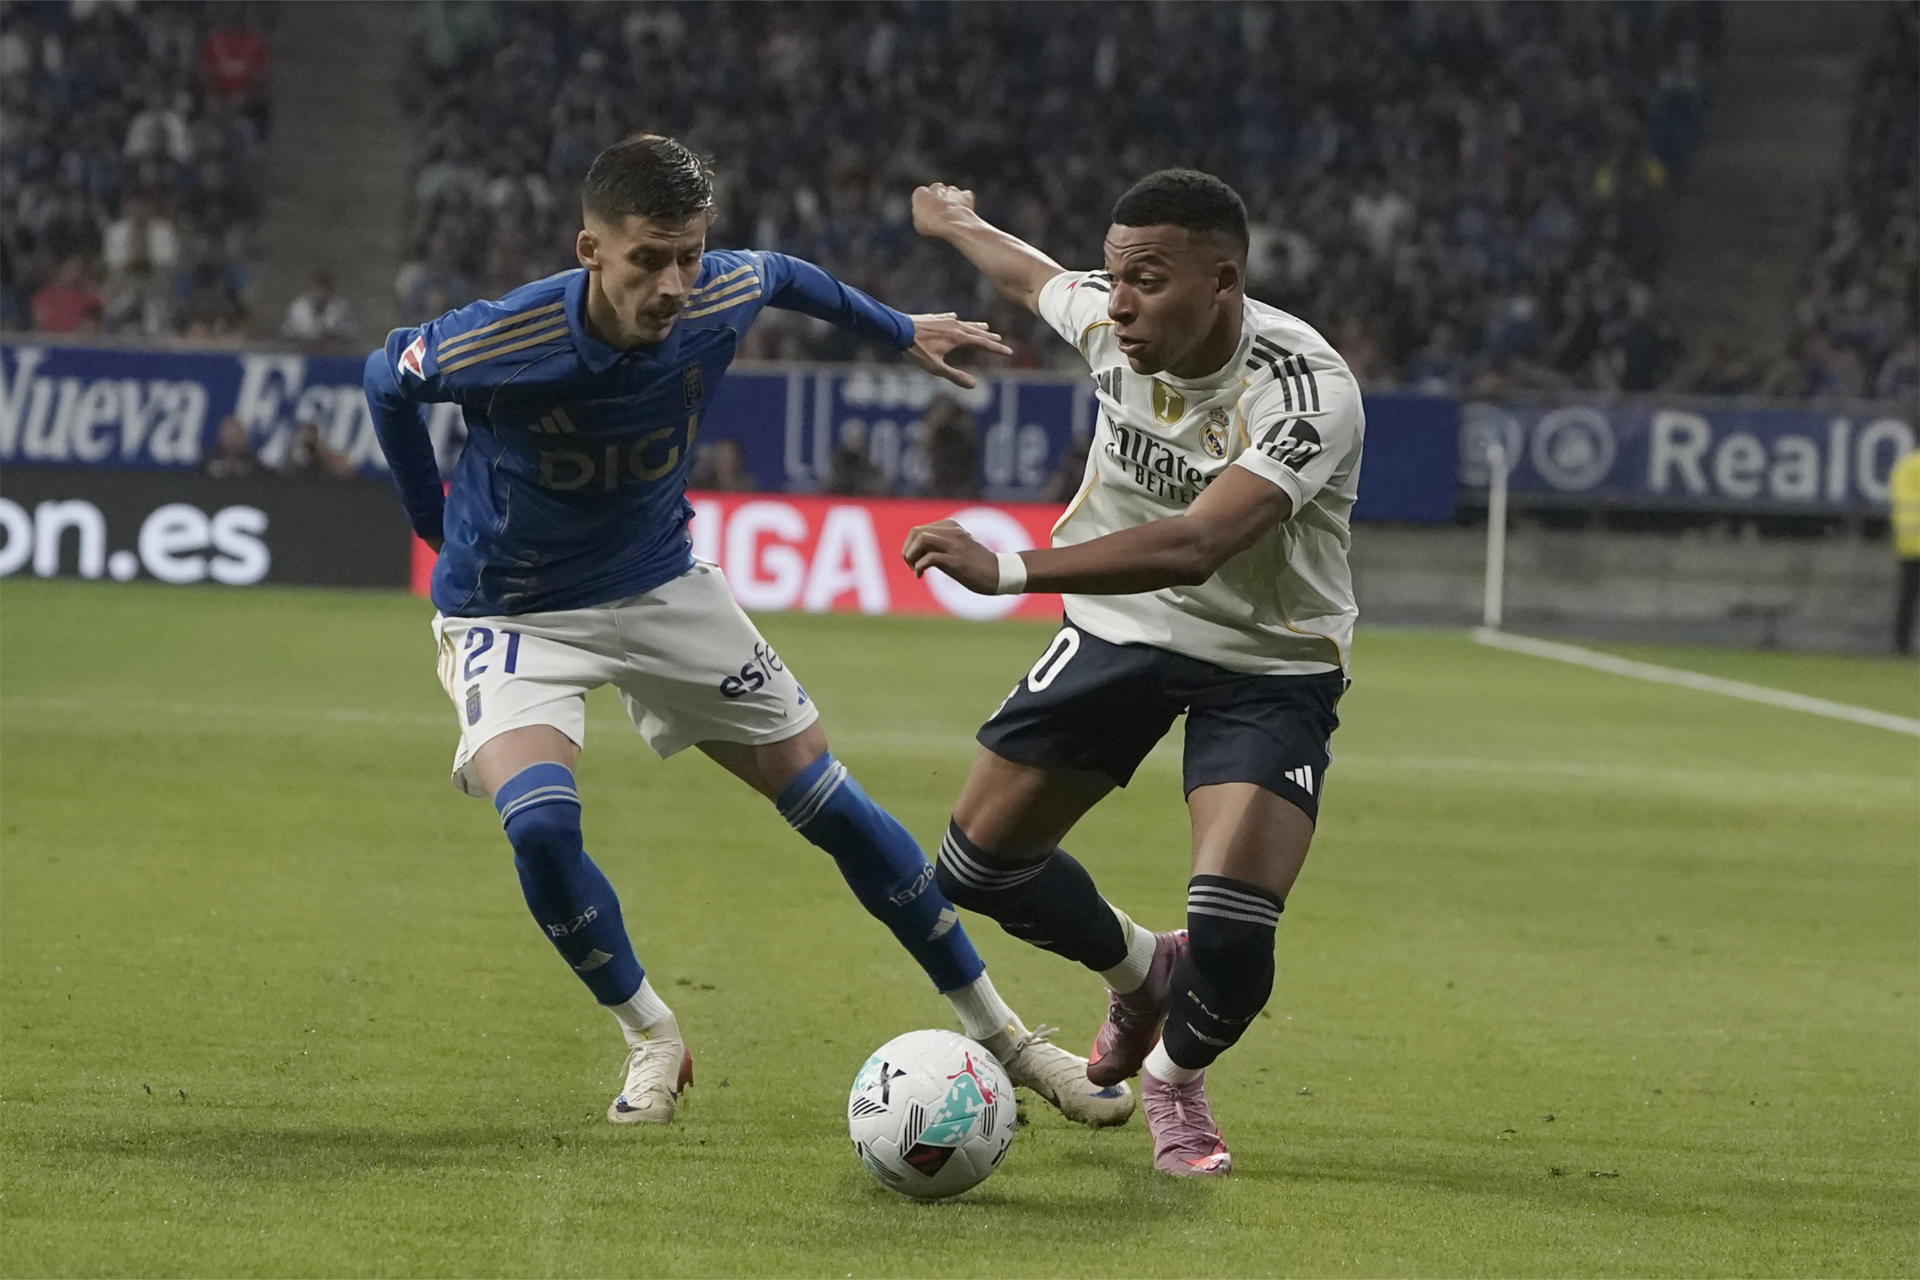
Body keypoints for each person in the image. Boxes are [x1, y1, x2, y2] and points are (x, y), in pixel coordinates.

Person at [361, 134, 1132, 1131]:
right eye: (648, 259)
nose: (675, 283)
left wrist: (897, 328)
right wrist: (430, 523)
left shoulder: (718, 289)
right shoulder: (501, 339)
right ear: (590, 250)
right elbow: (389, 377)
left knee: (831, 803)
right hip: (512, 610)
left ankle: (1009, 1037)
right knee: (543, 824)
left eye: (688, 254)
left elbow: (782, 275)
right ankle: (651, 1031)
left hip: (658, 585)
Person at [902, 172, 1365, 1177]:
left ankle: (1173, 1076)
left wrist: (1011, 567)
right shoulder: (1113, 317)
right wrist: (957, 220)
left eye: (1146, 281)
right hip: (1122, 630)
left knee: (1235, 938)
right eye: (1114, 277)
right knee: (976, 867)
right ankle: (1144, 969)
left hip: (1266, 658)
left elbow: (1201, 542)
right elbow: (1032, 280)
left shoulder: (1304, 388)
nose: (1118, 302)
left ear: (1224, 280)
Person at [1891, 446, 1920, 655]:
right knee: (1909, 595)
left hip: (1908, 540)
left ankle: (1901, 643)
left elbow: (1897, 498)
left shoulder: (1905, 464)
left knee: (1908, 595)